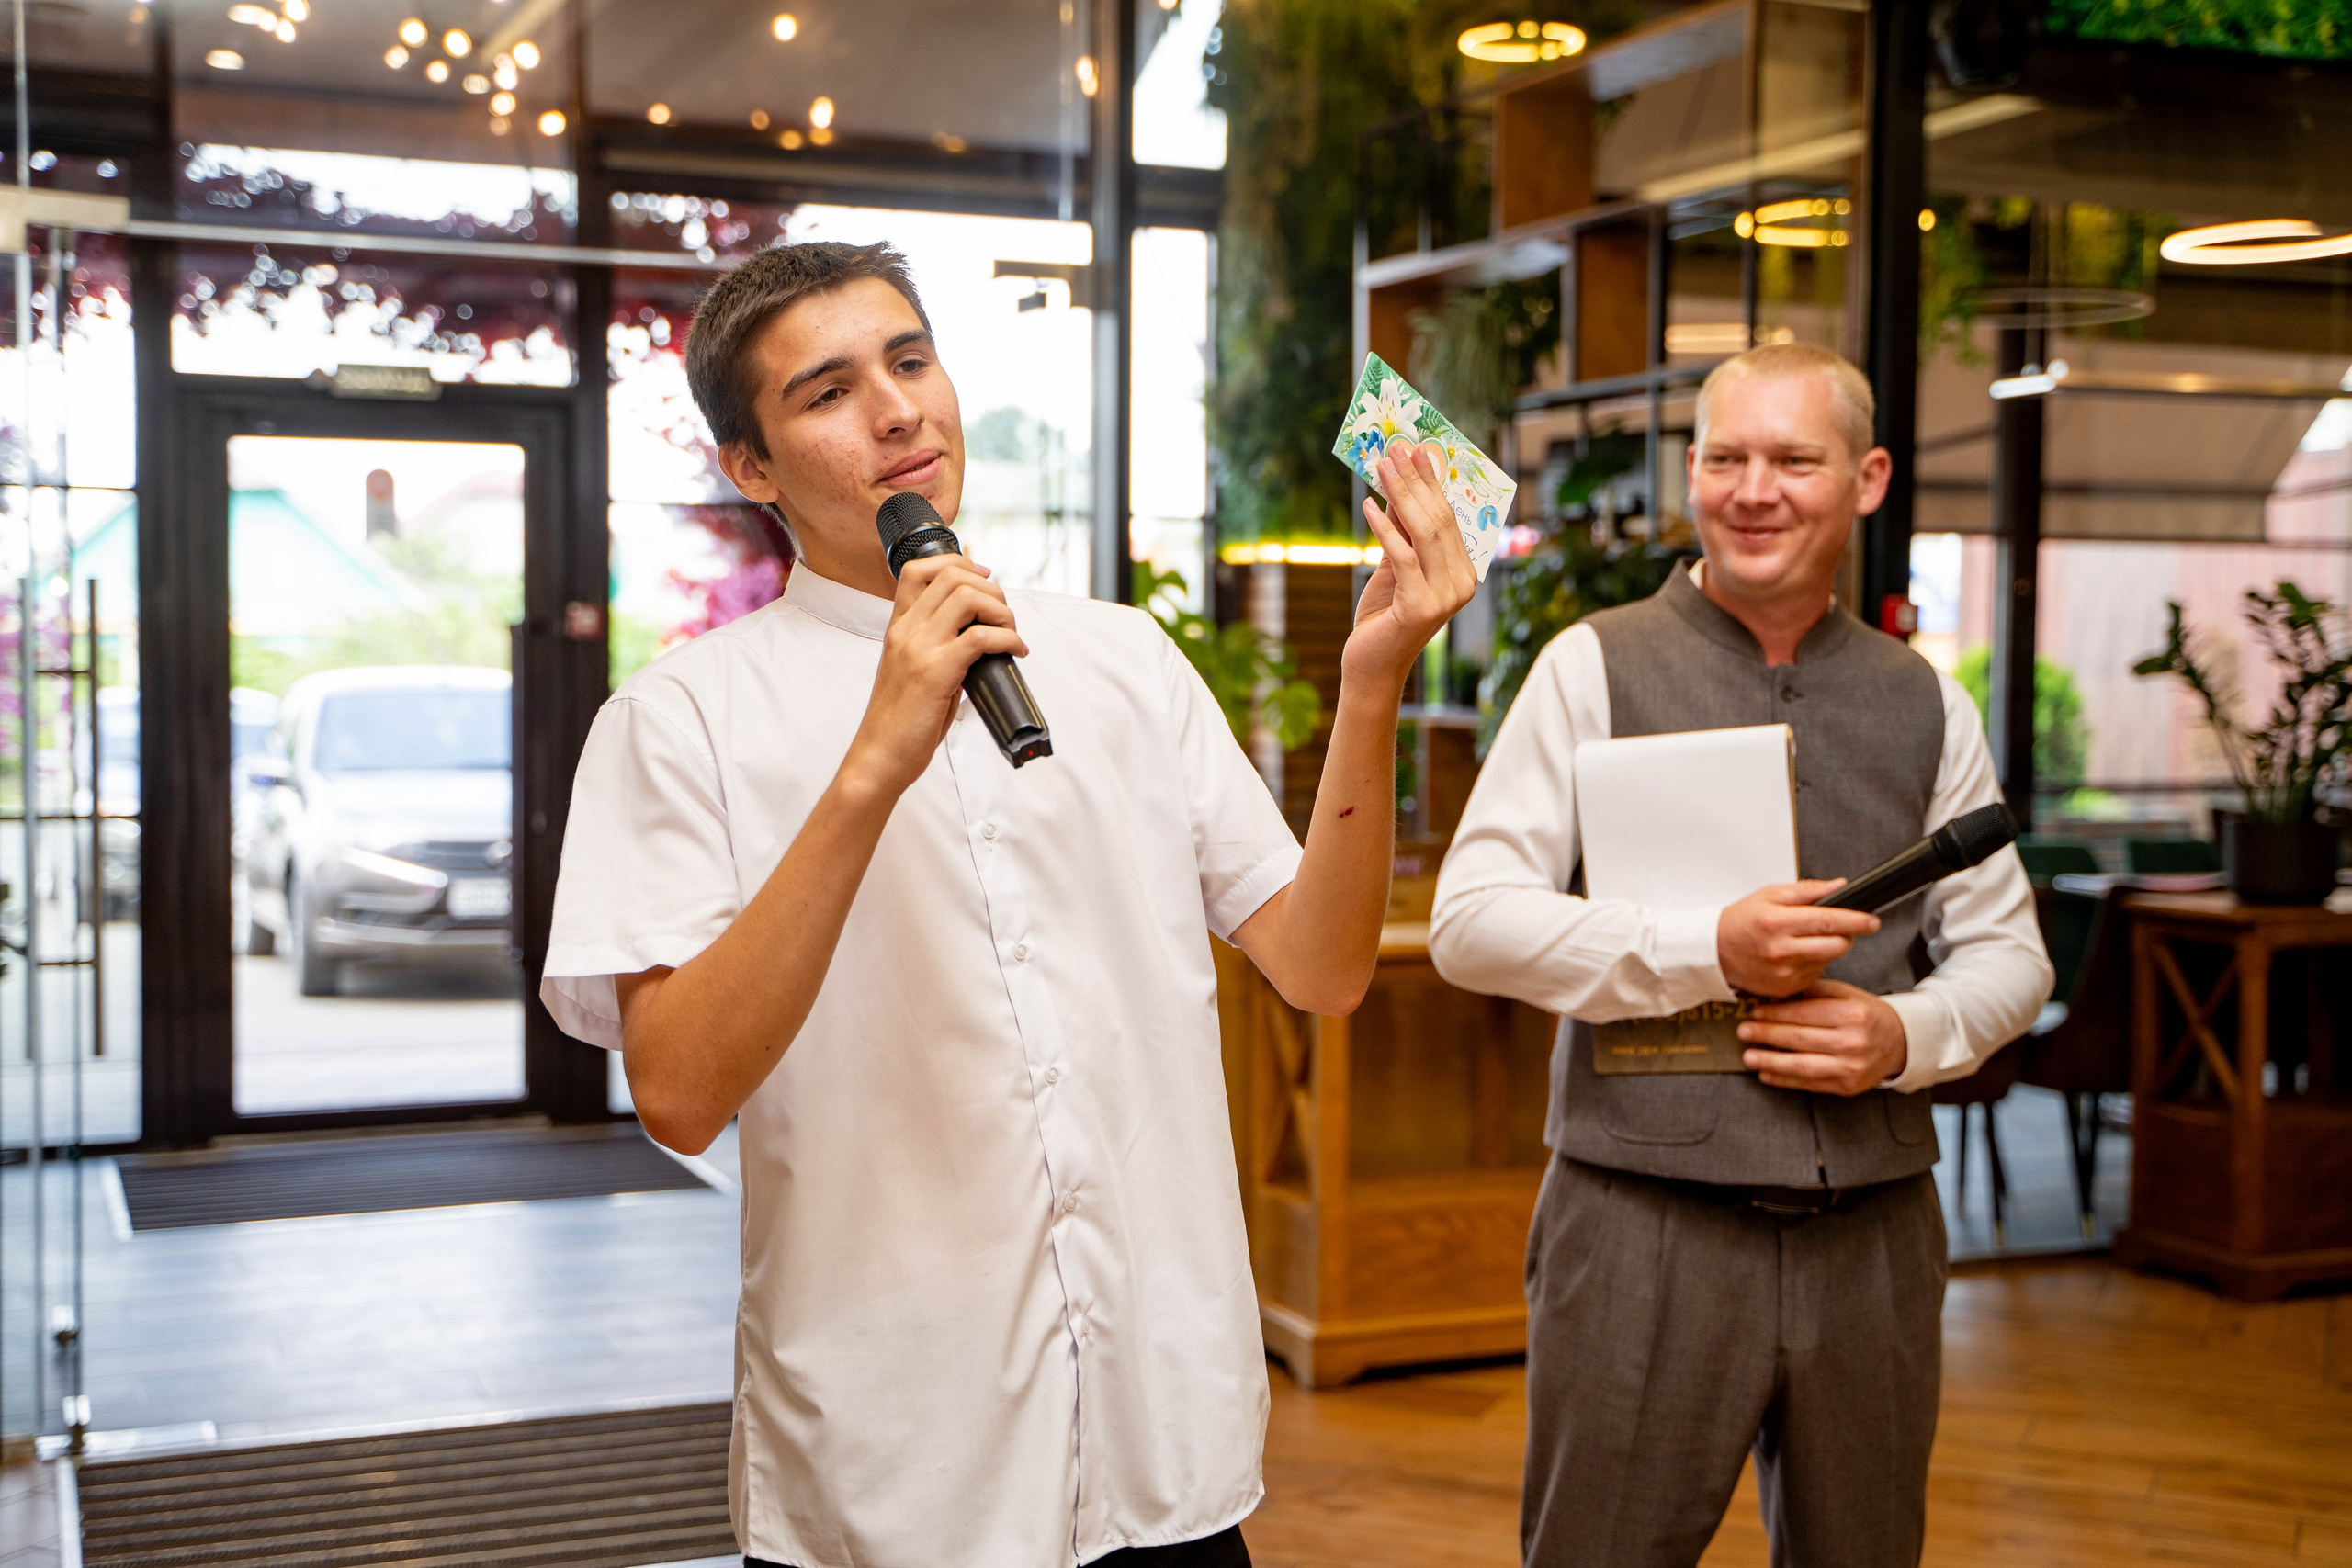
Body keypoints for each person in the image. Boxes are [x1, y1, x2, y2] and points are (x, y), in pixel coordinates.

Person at [539, 241, 1476, 1568]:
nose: (899, 410)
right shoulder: (681, 721)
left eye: (911, 361)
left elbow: (1321, 969)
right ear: (751, 468)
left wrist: (1374, 679)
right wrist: (877, 757)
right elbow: (680, 1092)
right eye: (828, 392)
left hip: (1166, 1446)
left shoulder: (1120, 660)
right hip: (899, 1469)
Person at [1429, 343, 2052, 1568]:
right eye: (1726, 458)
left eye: (1793, 460)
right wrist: (1703, 949)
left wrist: (1903, 1039)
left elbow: (2009, 954)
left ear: (1867, 480)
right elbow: (1470, 919)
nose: (1753, 489)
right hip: (1638, 1224)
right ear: (1694, 475)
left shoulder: (1929, 704)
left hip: (1874, 1234)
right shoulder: (1589, 667)